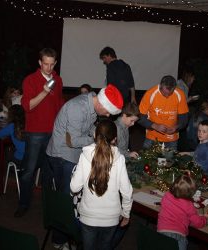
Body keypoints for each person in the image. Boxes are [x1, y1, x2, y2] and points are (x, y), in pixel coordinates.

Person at [46, 84, 123, 249]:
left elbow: (88, 129)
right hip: (62, 156)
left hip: (72, 155)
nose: (108, 115)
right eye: (108, 112)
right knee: (66, 200)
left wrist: (97, 133)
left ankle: (70, 237)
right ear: (102, 104)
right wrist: (98, 140)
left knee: (73, 198)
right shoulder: (77, 108)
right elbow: (72, 141)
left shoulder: (91, 105)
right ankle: (59, 241)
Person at [14, 48, 64, 218]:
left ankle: (48, 205)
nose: (48, 68)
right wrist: (44, 91)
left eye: (51, 65)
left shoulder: (58, 80)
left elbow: (58, 105)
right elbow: (27, 106)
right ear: (39, 63)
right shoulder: (30, 80)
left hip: (52, 133)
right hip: (35, 133)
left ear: (55, 63)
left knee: (49, 172)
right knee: (29, 170)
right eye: (45, 64)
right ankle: (23, 204)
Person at [70, 120, 133, 250]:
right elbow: (127, 191)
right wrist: (126, 213)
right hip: (111, 218)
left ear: (94, 135)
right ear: (115, 139)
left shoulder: (84, 156)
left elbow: (74, 187)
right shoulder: (119, 159)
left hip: (88, 216)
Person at [157, 173, 208, 250]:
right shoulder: (189, 205)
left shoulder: (167, 195)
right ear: (191, 193)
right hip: (178, 236)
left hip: (161, 232)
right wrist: (205, 218)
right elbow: (198, 223)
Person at [138, 75, 189, 151]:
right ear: (160, 86)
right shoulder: (150, 94)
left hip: (171, 138)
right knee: (147, 162)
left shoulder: (180, 94)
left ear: (174, 88)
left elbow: (184, 118)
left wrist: (176, 127)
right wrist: (155, 126)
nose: (167, 96)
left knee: (171, 162)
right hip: (152, 137)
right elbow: (140, 117)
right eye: (164, 93)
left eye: (170, 94)